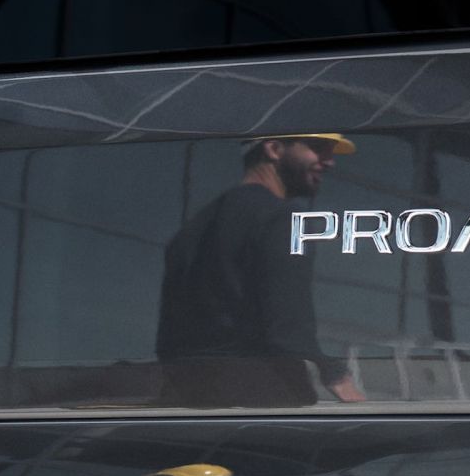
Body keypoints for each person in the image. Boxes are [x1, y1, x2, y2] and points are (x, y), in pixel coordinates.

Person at [156, 133, 366, 408]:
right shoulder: (282, 219)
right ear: (274, 149)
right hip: (265, 399)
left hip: (191, 399)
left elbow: (169, 338)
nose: (329, 162)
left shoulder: (188, 232)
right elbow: (288, 327)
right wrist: (334, 373)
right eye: (317, 149)